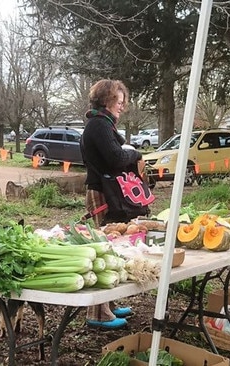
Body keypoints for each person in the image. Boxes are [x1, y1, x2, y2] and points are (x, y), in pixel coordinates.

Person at [80, 79, 146, 329]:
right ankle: (97, 313)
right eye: (118, 102)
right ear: (106, 101)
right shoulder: (98, 126)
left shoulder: (104, 125)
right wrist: (135, 153)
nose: (122, 106)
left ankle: (109, 303)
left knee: (114, 249)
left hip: (107, 192)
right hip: (101, 194)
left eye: (122, 102)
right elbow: (117, 158)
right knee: (102, 249)